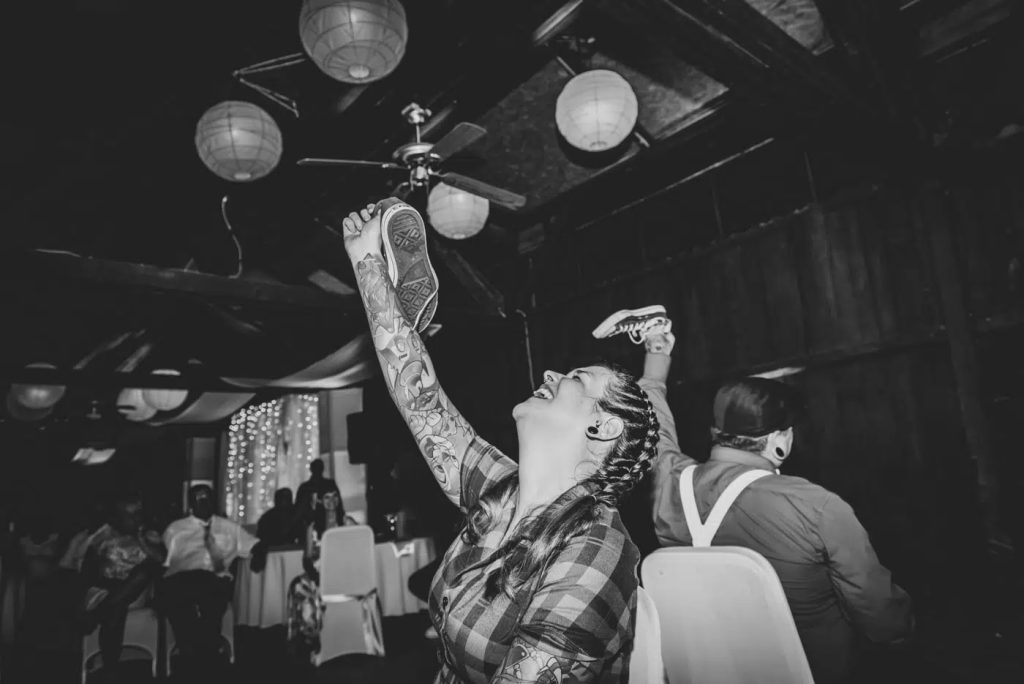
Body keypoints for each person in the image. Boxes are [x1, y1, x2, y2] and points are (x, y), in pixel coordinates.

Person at [341, 200, 660, 682]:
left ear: (604, 426)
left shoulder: (596, 551)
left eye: (576, 376)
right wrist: (367, 264)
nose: (553, 372)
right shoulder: (503, 486)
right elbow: (421, 401)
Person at [595, 305, 915, 684]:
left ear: (717, 431)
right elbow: (880, 615)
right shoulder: (818, 506)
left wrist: (657, 349)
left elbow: (653, 415)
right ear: (781, 440)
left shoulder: (671, 477)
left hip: (707, 671)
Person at [160, 484, 257, 670]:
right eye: (199, 499)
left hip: (215, 579)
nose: (203, 503)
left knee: (212, 595)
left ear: (213, 501)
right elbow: (164, 561)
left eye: (207, 498)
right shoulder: (175, 529)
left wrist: (259, 551)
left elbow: (253, 544)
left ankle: (205, 654)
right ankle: (193, 652)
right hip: (182, 579)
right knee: (178, 598)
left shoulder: (229, 527)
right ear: (191, 503)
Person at [79, 494, 165, 677]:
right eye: (130, 515)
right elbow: (87, 572)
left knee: (143, 571)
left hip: (137, 591)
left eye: (139, 514)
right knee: (115, 608)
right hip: (104, 590)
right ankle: (111, 669)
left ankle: (96, 616)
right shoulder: (103, 535)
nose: (136, 519)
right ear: (118, 517)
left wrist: (141, 538)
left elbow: (162, 563)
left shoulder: (151, 535)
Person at [286, 490, 346, 662]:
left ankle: (320, 639)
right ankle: (309, 636)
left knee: (317, 592)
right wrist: (316, 576)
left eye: (335, 496)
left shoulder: (347, 523)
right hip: (318, 572)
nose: (332, 500)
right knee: (297, 585)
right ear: (320, 500)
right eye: (327, 496)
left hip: (341, 572)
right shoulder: (312, 527)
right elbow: (306, 559)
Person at [294, 460, 343, 529]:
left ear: (311, 469)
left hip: (323, 523)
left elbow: (298, 509)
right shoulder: (329, 484)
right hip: (319, 524)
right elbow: (339, 506)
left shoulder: (305, 487)